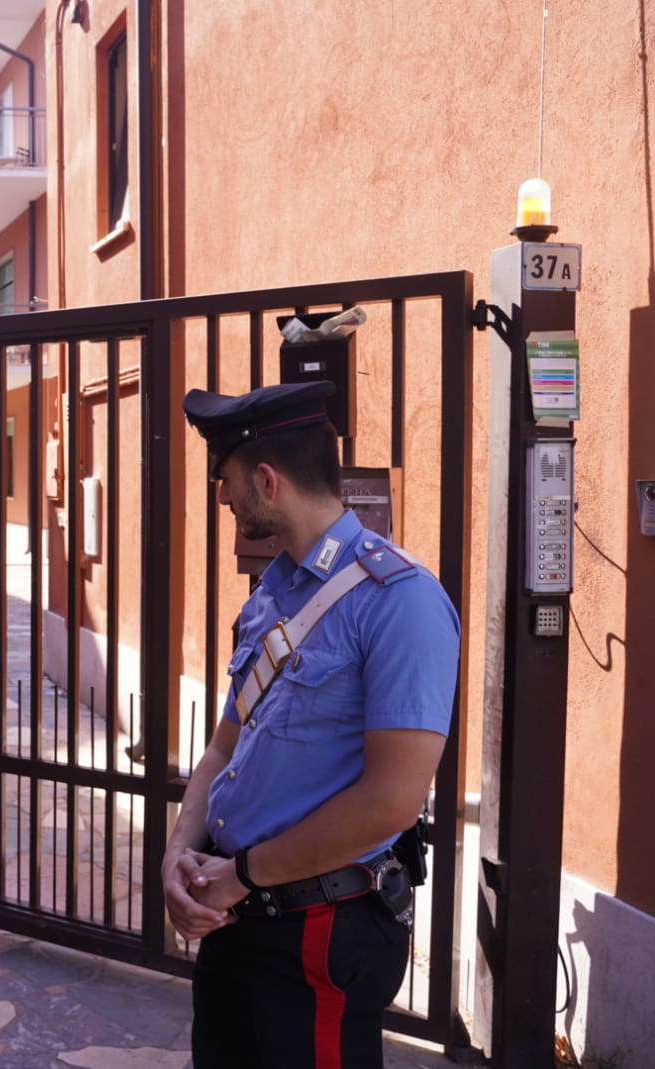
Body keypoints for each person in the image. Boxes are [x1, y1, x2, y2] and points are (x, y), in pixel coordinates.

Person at [164, 381, 459, 1069]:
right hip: (236, 915)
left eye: (229, 482)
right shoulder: (274, 591)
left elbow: (390, 801)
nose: (226, 499)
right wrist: (180, 851)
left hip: (320, 930)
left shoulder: (401, 602)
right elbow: (223, 745)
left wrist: (241, 874)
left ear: (268, 480)